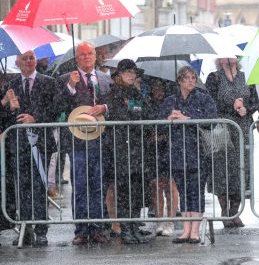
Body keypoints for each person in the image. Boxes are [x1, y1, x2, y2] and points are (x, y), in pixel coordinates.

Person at [55, 42, 112, 245]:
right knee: (79, 184)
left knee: (98, 184)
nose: (87, 57)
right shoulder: (65, 79)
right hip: (77, 140)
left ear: (95, 56)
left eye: (90, 54)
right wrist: (70, 86)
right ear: (76, 58)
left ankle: (97, 227)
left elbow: (114, 103)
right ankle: (81, 229)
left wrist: (104, 107)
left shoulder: (105, 79)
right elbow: (57, 106)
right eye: (82, 55)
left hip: (100, 139)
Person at [0, 50, 58, 246]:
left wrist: (35, 118)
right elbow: (5, 118)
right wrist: (9, 105)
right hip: (18, 144)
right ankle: (26, 228)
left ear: (36, 61)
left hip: (41, 143)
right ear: (17, 62)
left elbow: (56, 108)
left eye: (31, 58)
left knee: (39, 186)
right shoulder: (11, 85)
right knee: (23, 187)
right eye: (24, 58)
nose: (28, 61)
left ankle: (41, 228)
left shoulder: (49, 82)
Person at [158, 66, 217, 244]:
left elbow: (211, 120)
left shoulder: (203, 98)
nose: (190, 81)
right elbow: (158, 124)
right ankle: (185, 229)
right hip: (177, 151)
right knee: (183, 191)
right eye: (186, 78)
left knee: (196, 191)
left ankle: (195, 230)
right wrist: (168, 120)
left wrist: (188, 118)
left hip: (198, 150)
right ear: (179, 81)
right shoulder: (171, 100)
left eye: (193, 77)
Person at [103, 59, 153, 244]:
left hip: (139, 147)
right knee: (124, 190)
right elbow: (120, 115)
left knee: (138, 189)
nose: (132, 76)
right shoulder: (113, 93)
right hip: (121, 148)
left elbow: (147, 113)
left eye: (134, 73)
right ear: (119, 75)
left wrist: (135, 109)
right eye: (128, 73)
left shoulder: (136, 93)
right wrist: (133, 111)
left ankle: (134, 226)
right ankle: (125, 229)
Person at [205, 57, 259, 228]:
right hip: (223, 130)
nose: (229, 59)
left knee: (241, 169)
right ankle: (224, 211)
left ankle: (235, 211)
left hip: (242, 129)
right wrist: (232, 106)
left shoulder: (246, 77)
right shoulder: (214, 78)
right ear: (220, 60)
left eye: (233, 56)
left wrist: (246, 108)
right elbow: (210, 103)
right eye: (225, 56)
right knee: (222, 170)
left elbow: (255, 102)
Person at [146, 78, 179, 236]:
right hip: (153, 150)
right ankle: (159, 221)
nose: (158, 91)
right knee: (156, 185)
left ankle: (170, 221)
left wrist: (164, 134)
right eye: (155, 87)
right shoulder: (147, 103)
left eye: (161, 88)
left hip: (170, 148)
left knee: (171, 185)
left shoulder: (172, 102)